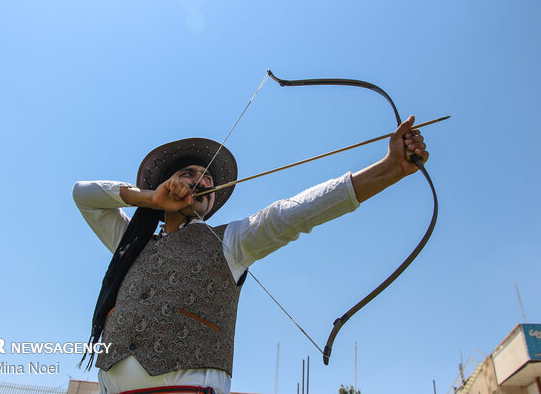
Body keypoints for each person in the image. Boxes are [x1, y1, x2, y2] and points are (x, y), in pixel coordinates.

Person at [72, 116, 428, 394]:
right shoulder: (131, 243)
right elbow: (82, 194)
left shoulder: (232, 241)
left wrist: (390, 168)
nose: (203, 181)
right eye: (189, 174)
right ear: (166, 185)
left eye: (209, 179)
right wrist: (147, 198)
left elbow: (296, 213)